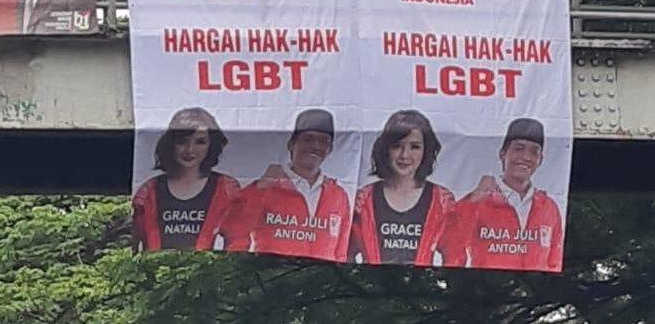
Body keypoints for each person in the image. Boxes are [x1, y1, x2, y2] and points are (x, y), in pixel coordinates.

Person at [218, 109, 351, 262]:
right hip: (276, 278)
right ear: (291, 144)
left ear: (330, 149)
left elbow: (341, 251)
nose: (315, 146)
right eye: (308, 139)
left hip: (322, 279)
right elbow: (234, 230)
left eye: (323, 141)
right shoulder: (267, 187)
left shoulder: (338, 195)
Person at [439, 118, 564, 271]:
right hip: (488, 291)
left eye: (534, 151)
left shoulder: (549, 207)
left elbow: (554, 262)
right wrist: (473, 200)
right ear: (503, 154)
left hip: (534, 293)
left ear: (541, 160)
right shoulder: (480, 200)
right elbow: (451, 243)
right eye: (519, 148)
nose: (526, 157)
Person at [350, 110, 455, 266]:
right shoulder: (362, 200)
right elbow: (344, 254)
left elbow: (455, 256)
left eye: (414, 147)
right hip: (370, 288)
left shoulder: (442, 200)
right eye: (397, 146)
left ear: (426, 150)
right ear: (386, 149)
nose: (405, 155)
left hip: (422, 288)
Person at [131, 107, 241, 251]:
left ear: (211, 144)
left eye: (200, 142)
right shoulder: (148, 191)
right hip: (155, 271)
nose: (190, 149)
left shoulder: (227, 189)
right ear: (171, 144)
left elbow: (239, 241)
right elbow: (130, 243)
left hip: (206, 272)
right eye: (182, 141)